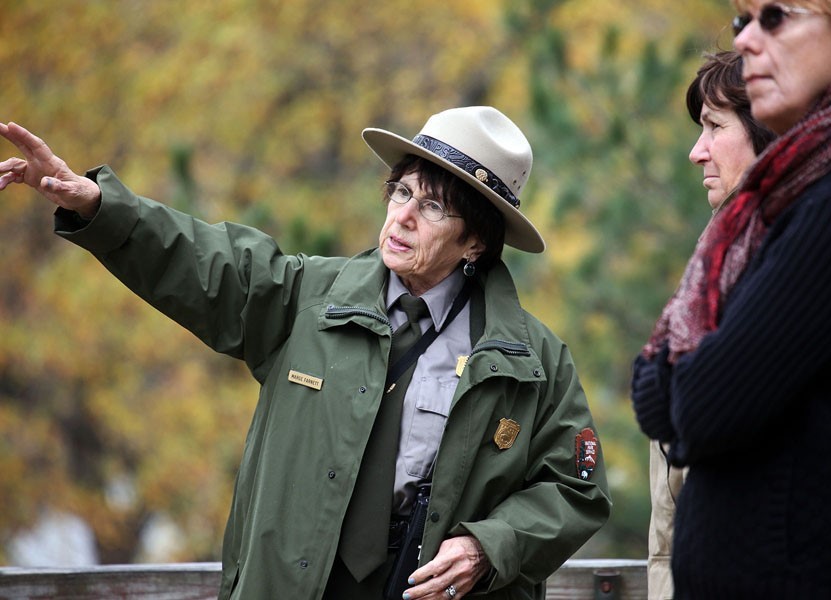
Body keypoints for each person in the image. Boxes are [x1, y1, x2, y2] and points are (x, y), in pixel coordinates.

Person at [0, 106, 611, 600]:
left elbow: (576, 491)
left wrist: (489, 546)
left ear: (476, 238)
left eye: (431, 206)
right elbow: (202, 261)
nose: (402, 217)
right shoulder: (305, 297)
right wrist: (99, 207)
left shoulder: (534, 360)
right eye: (401, 192)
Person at [632, 0, 831, 596]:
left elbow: (699, 407)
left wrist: (681, 381)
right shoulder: (772, 214)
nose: (749, 38)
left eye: (775, 17)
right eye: (742, 21)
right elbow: (654, 404)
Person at [645, 49, 775, 600]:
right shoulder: (721, 255)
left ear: (768, 133)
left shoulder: (787, 261)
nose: (696, 152)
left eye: (714, 127)